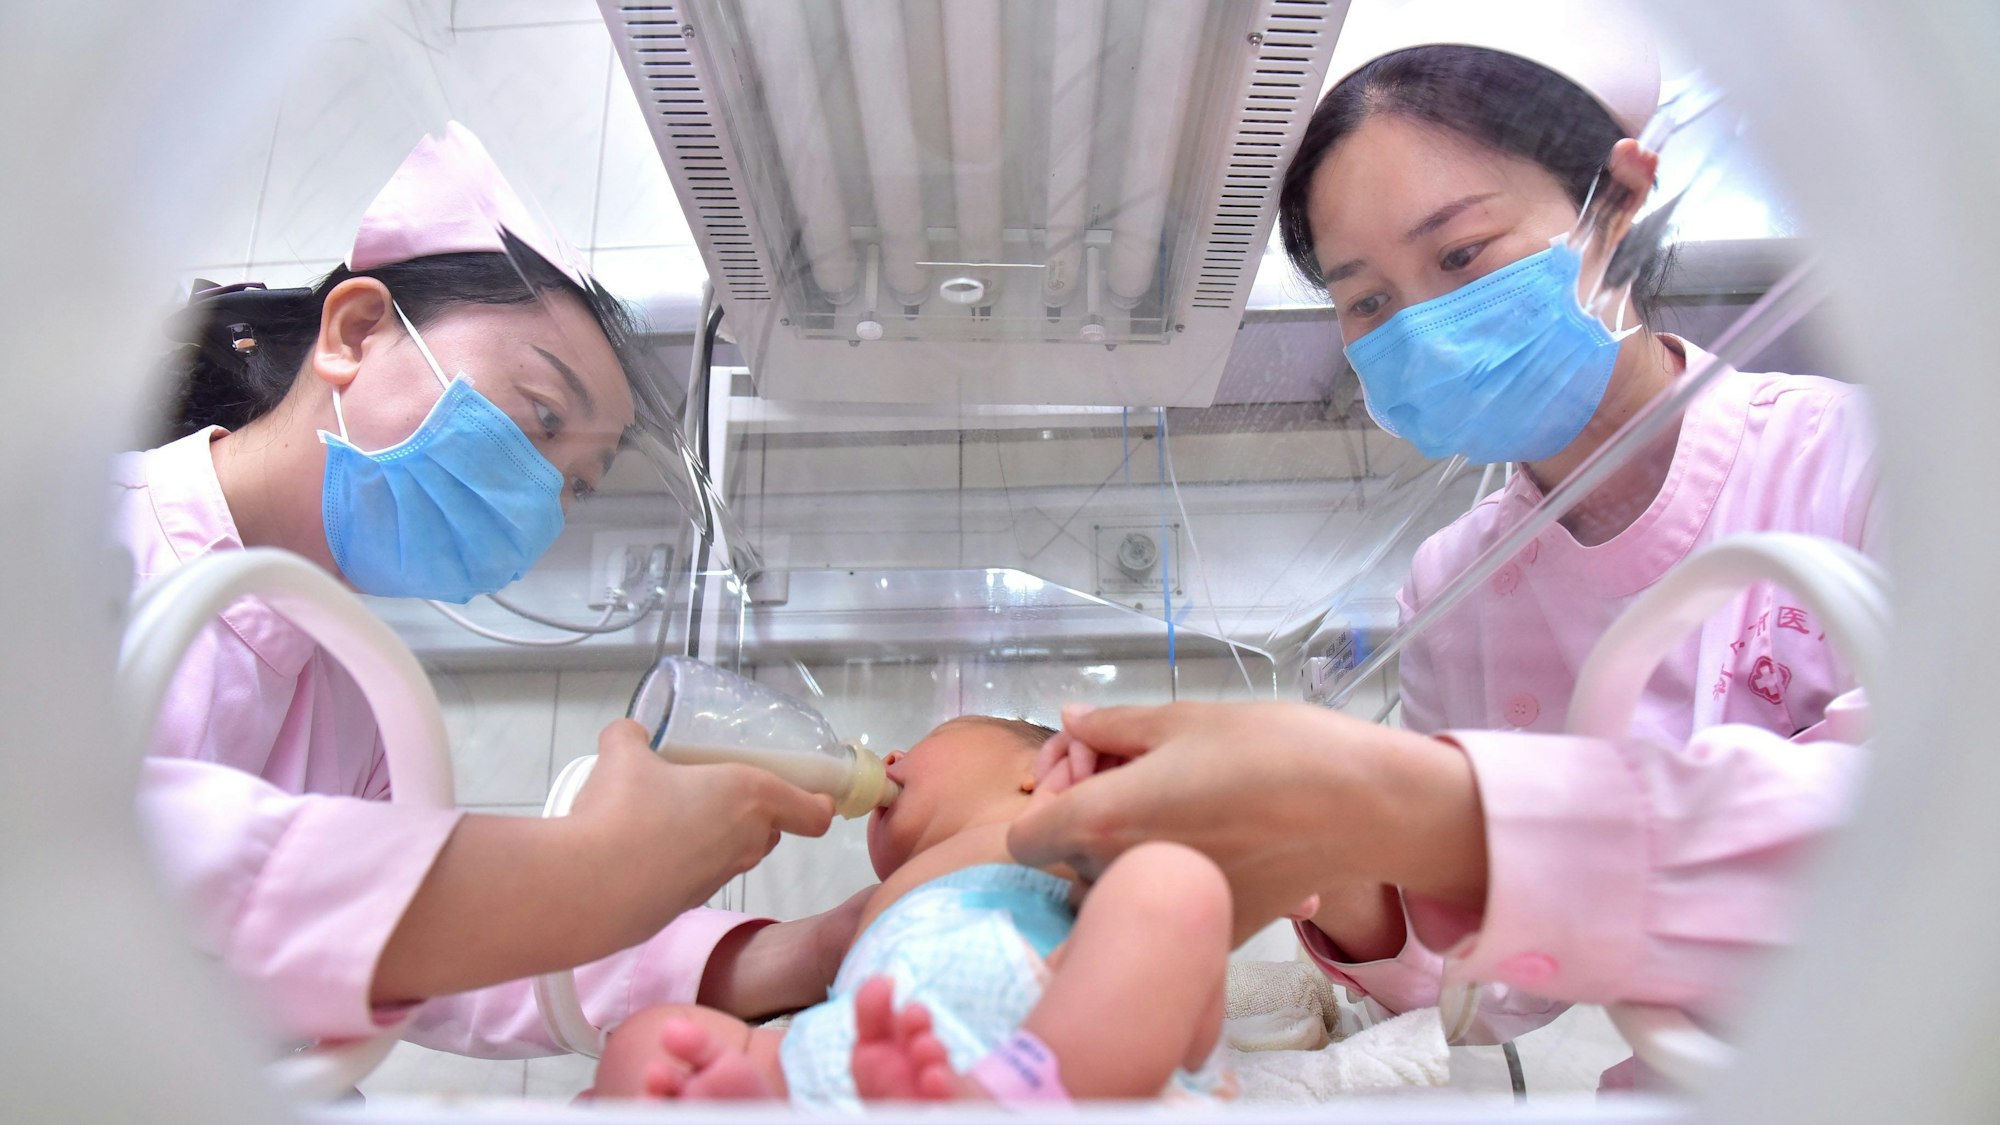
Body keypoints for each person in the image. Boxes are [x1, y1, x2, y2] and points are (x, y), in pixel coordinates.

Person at [1006, 4, 1876, 1088]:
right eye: (1365, 299)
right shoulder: (1454, 587)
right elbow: (1484, 989)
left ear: (1618, 195)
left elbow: (1926, 832)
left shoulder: (1872, 460)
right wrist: (1316, 853)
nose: (1421, 325)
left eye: (1461, 253)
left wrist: (1395, 802)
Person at [116, 123, 863, 1061]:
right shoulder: (68, 531)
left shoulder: (355, 703)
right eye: (542, 418)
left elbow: (453, 944)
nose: (541, 500)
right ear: (356, 332)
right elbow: (89, 851)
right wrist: (592, 870)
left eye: (576, 486)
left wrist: (805, 949)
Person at [588, 716, 1240, 1106]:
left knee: (1170, 882)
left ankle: (1017, 1095)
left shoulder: (1055, 825)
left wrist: (1104, 803)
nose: (891, 758)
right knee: (651, 1040)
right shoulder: (883, 904)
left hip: (1070, 1043)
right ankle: (754, 1103)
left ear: (1036, 770)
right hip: (864, 1067)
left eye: (928, 738)